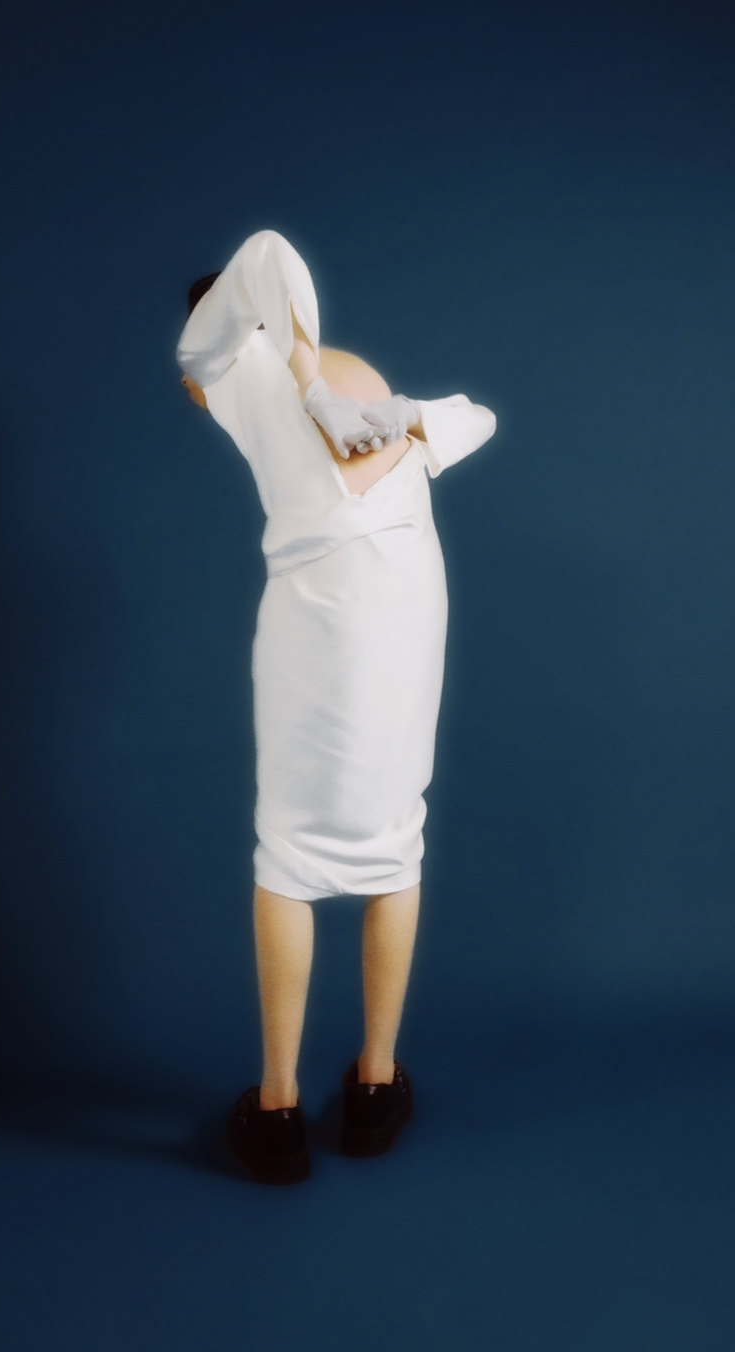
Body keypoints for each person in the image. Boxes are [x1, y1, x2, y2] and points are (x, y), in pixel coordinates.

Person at [177, 230, 495, 1183]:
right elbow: (465, 422)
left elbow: (259, 262)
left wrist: (298, 385)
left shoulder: (216, 370)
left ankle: (277, 1105)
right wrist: (353, 397)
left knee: (289, 849)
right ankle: (374, 1085)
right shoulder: (352, 369)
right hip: (404, 601)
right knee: (394, 835)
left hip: (316, 611)